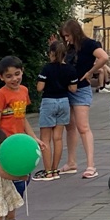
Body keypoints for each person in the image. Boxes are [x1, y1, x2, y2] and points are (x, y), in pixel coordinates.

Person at [0, 55, 46, 220]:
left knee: (23, 179)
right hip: (7, 145)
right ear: (1, 78)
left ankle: (3, 216)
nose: (14, 79)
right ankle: (8, 219)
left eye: (17, 74)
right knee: (14, 182)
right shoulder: (1, 95)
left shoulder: (23, 90)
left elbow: (22, 120)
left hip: (21, 143)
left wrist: (34, 138)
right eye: (9, 76)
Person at [60, 19, 109, 179]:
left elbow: (104, 57)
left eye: (67, 35)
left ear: (75, 32)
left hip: (81, 89)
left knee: (83, 126)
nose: (66, 39)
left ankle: (90, 165)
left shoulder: (88, 44)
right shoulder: (69, 47)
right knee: (70, 127)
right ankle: (71, 162)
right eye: (64, 36)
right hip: (67, 89)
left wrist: (90, 72)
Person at [33, 41, 78, 182]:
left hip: (49, 102)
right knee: (58, 138)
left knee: (45, 139)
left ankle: (47, 172)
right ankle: (55, 169)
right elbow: (73, 89)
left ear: (51, 54)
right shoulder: (70, 69)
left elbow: (40, 87)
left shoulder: (47, 68)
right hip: (64, 102)